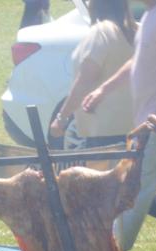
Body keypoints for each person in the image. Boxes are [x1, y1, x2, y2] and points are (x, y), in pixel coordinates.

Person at [83, 0, 156, 251]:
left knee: (137, 186)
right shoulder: (152, 16)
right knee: (137, 184)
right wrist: (104, 89)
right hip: (146, 123)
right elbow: (137, 62)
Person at [50, 0, 136, 149]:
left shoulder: (101, 32)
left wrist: (61, 118)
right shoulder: (137, 31)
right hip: (137, 129)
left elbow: (85, 80)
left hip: (104, 133)